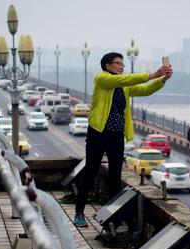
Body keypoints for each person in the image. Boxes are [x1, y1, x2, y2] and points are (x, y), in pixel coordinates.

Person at [74, 52, 173, 227]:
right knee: (91, 171)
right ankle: (79, 212)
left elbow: (144, 89)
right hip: (99, 132)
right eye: (118, 63)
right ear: (107, 66)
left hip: (116, 134)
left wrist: (162, 80)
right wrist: (152, 74)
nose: (121, 66)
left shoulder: (123, 85)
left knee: (115, 175)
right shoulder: (102, 79)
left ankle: (112, 215)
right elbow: (124, 80)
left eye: (122, 64)